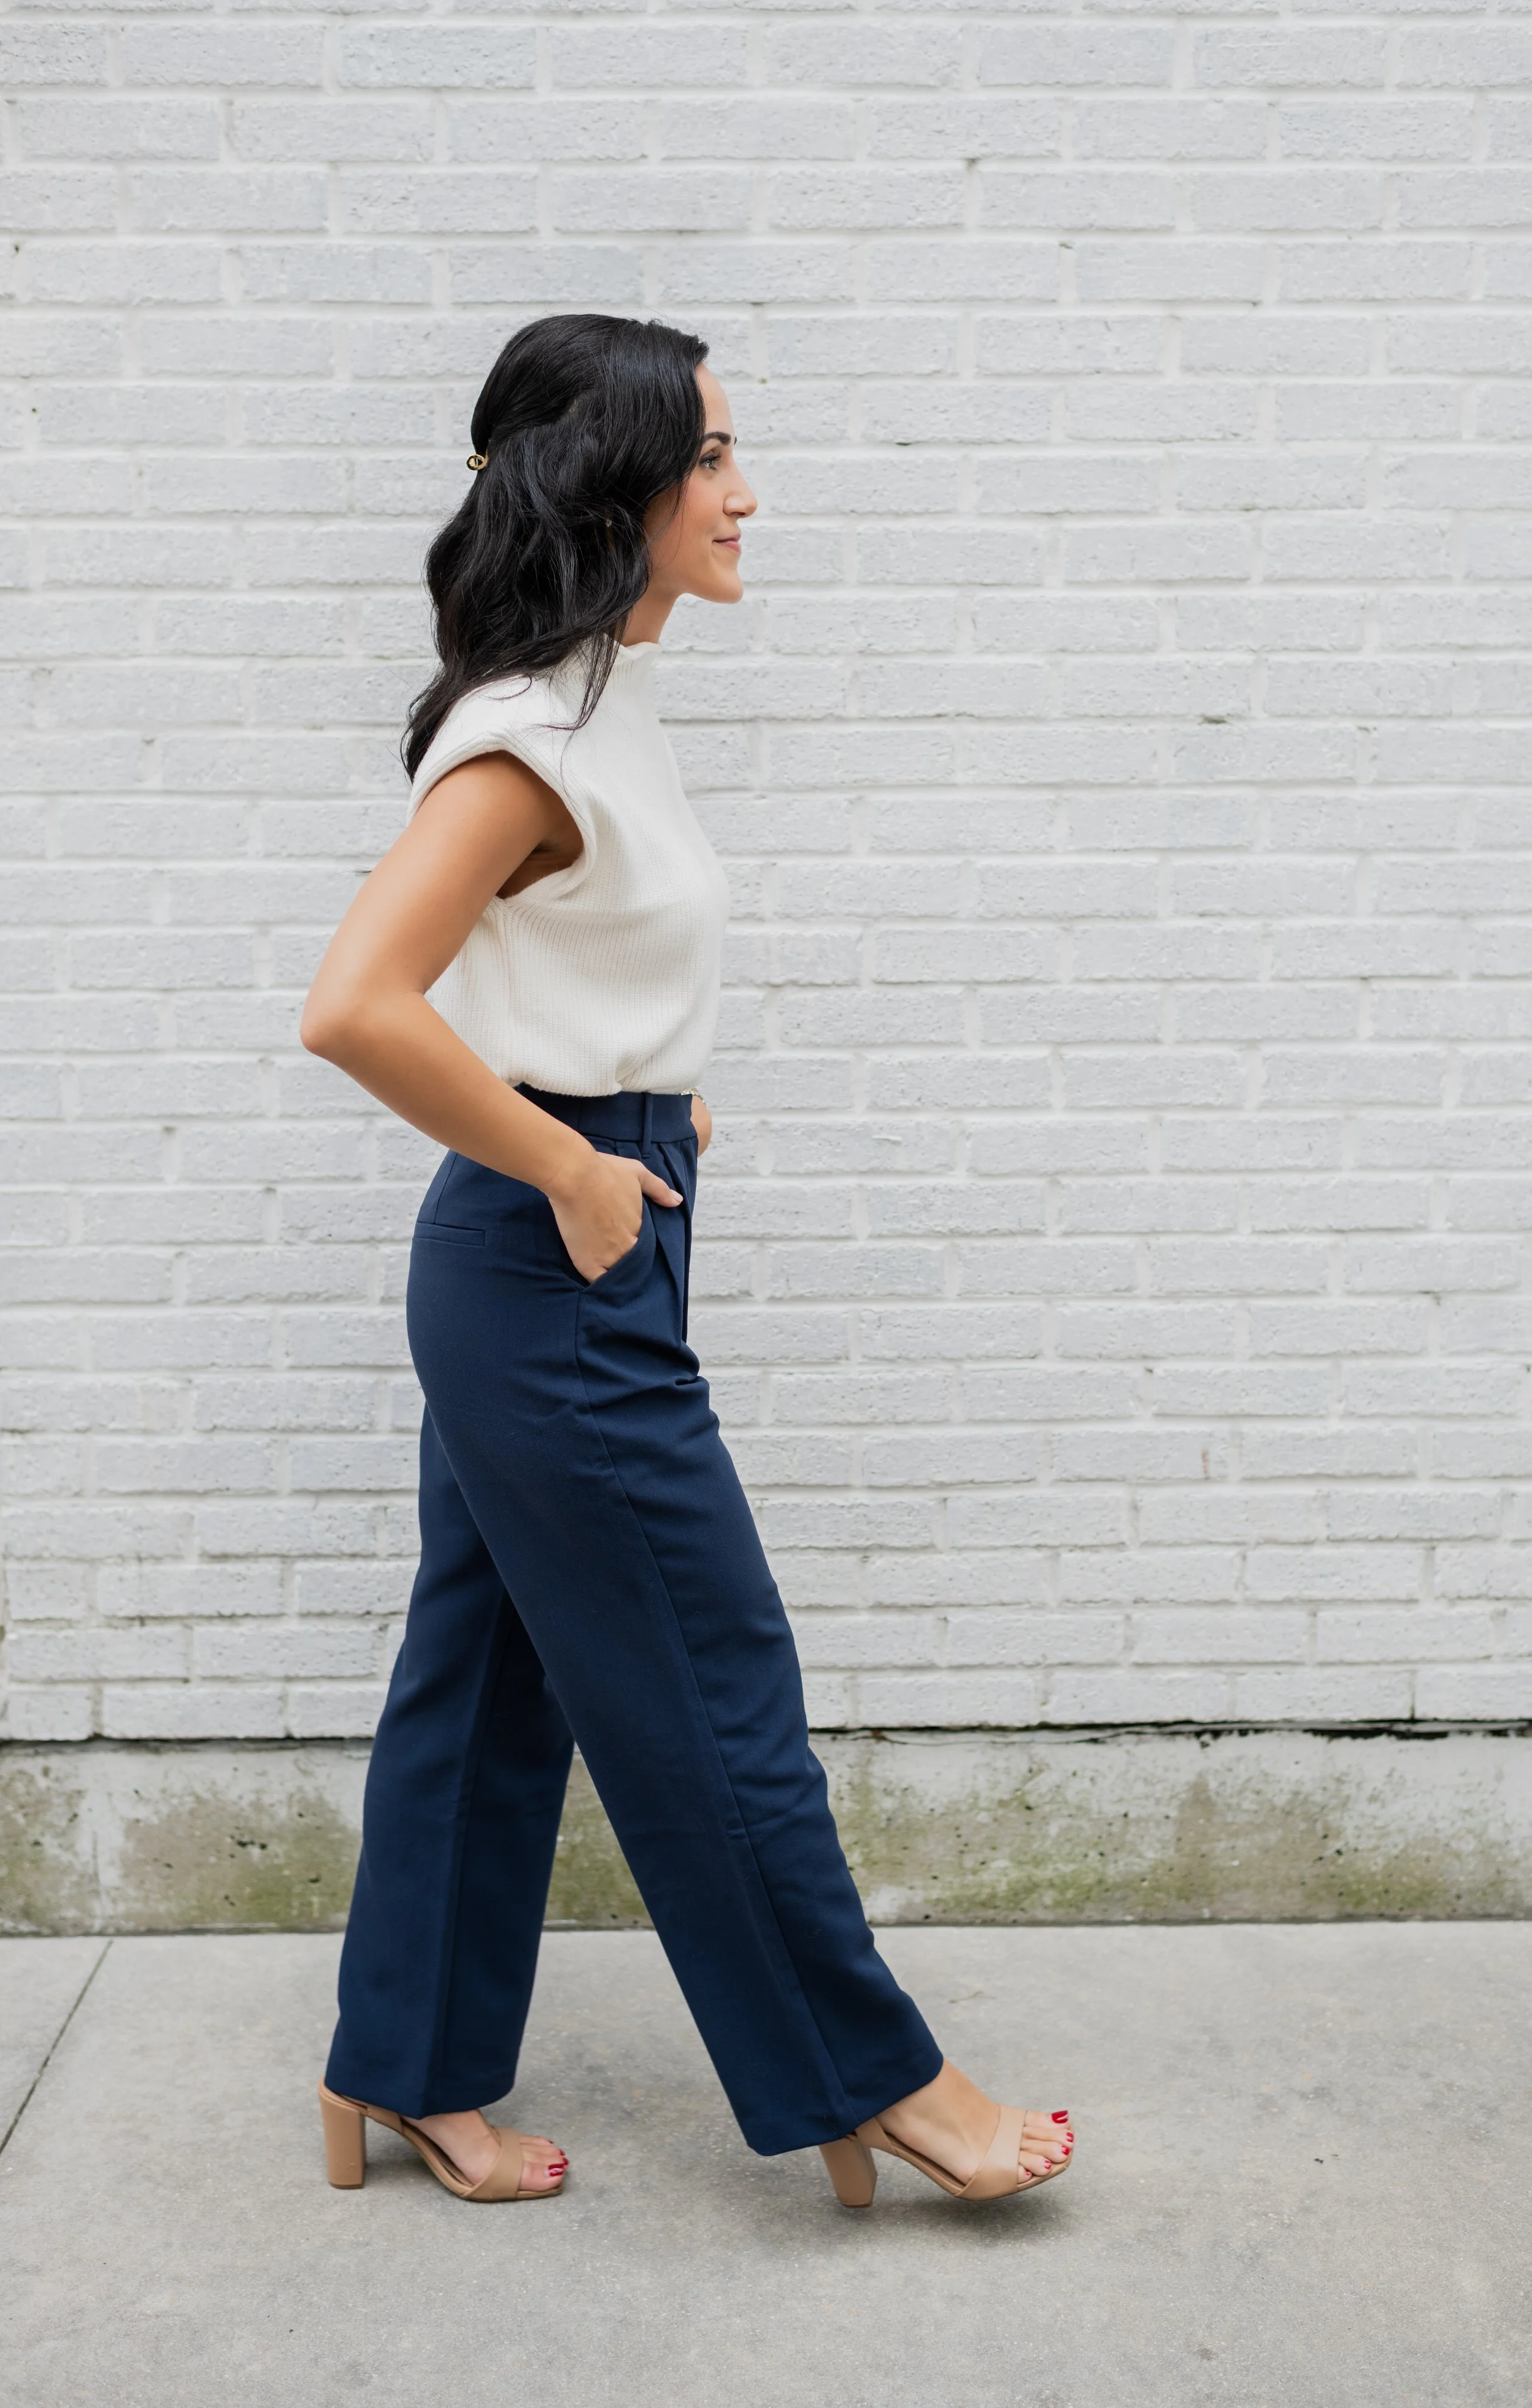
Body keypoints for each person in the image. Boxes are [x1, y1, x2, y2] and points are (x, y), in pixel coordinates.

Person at [301, 312, 1075, 2211]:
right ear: (614, 485)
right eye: (711, 455)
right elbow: (354, 1006)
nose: (744, 491)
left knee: (483, 1684)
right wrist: (577, 1154)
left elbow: (560, 960)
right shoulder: (519, 735)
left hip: (568, 1236)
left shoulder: (596, 698)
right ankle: (873, 2076)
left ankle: (398, 2067)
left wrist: (648, 1092)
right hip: (545, 1265)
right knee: (714, 1675)